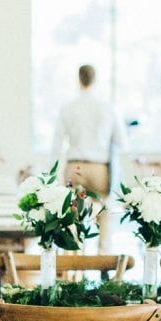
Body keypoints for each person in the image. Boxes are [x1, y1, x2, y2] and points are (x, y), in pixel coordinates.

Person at [51, 64, 125, 252]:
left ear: (79, 79)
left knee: (73, 213)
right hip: (99, 168)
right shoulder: (108, 108)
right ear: (95, 80)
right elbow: (121, 142)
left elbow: (57, 143)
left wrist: (52, 173)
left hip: (74, 168)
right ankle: (103, 255)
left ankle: (74, 258)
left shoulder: (67, 108)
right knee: (104, 211)